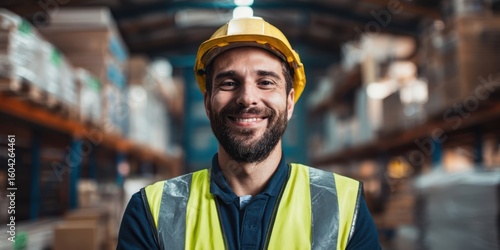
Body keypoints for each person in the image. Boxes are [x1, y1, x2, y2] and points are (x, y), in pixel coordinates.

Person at [117, 17, 381, 250]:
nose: (247, 98)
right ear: (208, 103)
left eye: (265, 82)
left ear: (289, 103)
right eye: (229, 83)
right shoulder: (150, 211)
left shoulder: (345, 206)